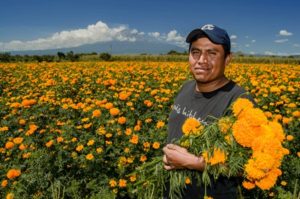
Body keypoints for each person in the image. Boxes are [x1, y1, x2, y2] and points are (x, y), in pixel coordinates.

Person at [162, 24, 254, 199]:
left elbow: (250, 167)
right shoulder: (186, 88)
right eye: (195, 52)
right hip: (172, 192)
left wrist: (194, 163)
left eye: (212, 53)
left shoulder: (240, 102)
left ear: (227, 59)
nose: (201, 60)